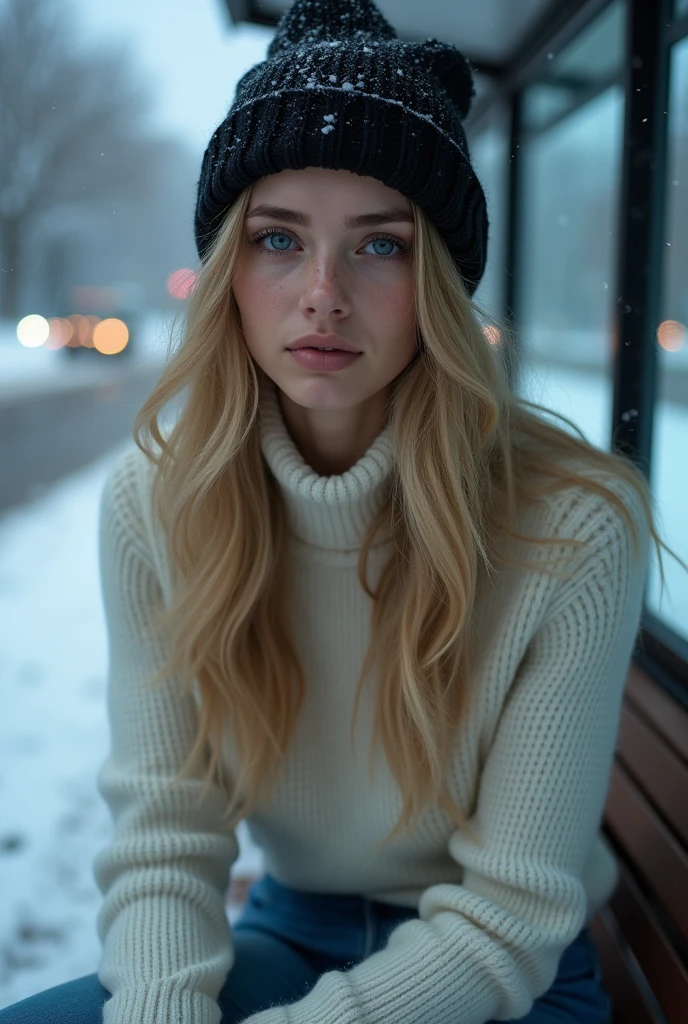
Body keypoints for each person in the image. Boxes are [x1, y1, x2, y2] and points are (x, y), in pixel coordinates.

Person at [3, 0, 685, 1022]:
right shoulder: (160, 502)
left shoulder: (572, 524)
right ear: (228, 269)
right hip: (291, 927)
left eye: (380, 247)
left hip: (501, 980)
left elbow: (506, 917)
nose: (320, 294)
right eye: (278, 239)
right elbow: (166, 833)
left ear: (442, 289)